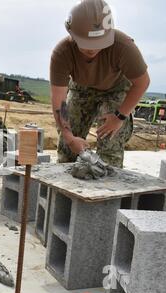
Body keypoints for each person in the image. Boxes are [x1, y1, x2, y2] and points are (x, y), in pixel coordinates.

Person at [50, 0, 150, 168]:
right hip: (81, 87)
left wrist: (119, 117)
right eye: (86, 44)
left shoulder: (123, 46)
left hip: (115, 88)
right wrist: (68, 136)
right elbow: (59, 100)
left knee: (110, 143)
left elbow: (142, 83)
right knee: (69, 145)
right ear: (72, 34)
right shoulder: (62, 52)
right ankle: (65, 189)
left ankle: (107, 188)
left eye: (98, 44)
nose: (91, 50)